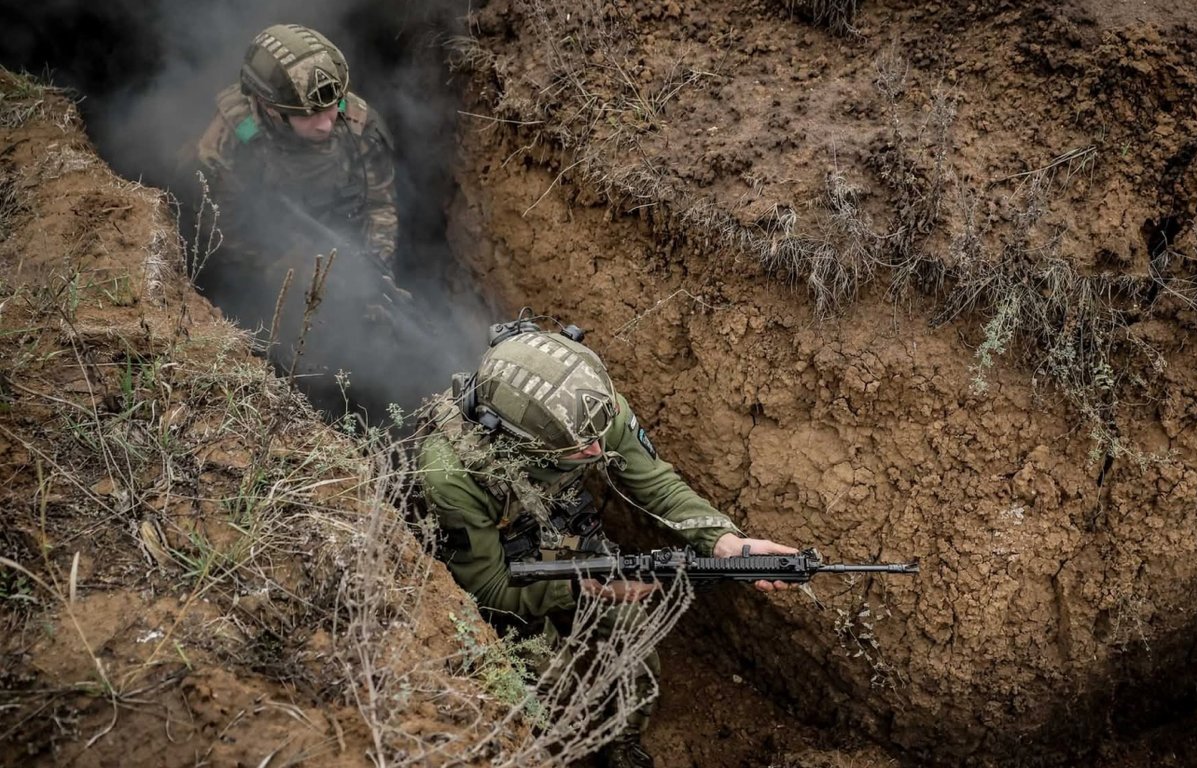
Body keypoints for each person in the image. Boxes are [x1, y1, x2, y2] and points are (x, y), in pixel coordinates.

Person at [418, 318, 798, 768]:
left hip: (564, 534)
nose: (598, 451)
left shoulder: (592, 409)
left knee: (634, 635)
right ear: (520, 444)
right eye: (580, 450)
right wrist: (581, 586)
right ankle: (563, 746)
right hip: (503, 569)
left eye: (600, 437)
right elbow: (488, 589)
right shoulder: (451, 473)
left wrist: (724, 541)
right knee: (552, 681)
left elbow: (656, 483)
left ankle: (623, 742)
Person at [194, 23, 398, 274]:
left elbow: (380, 206)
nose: (325, 125)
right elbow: (218, 229)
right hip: (263, 254)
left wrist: (374, 266)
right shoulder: (232, 139)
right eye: (309, 115)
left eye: (332, 106)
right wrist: (274, 268)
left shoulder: (360, 126)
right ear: (269, 108)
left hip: (339, 246)